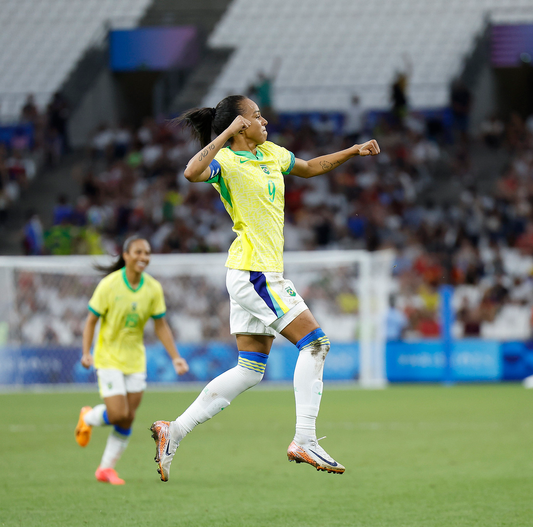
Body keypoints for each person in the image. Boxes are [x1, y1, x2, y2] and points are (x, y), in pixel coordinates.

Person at [149, 95, 380, 481]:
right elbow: (191, 172)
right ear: (240, 125)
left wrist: (352, 151)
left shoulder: (269, 152)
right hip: (255, 273)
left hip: (254, 272)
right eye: (256, 116)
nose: (265, 120)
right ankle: (304, 439)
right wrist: (224, 135)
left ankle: (174, 430)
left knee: (250, 369)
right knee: (317, 344)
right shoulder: (224, 161)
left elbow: (307, 167)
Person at [74, 237, 189, 485]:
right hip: (108, 358)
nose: (143, 257)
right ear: (125, 255)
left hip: (135, 360)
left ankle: (105, 469)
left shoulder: (152, 288)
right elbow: (91, 320)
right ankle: (89, 417)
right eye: (138, 252)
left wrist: (176, 357)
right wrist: (86, 352)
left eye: (147, 253)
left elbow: (161, 325)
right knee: (117, 414)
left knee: (128, 417)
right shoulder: (109, 285)